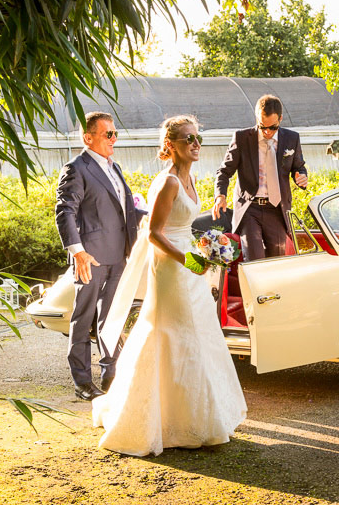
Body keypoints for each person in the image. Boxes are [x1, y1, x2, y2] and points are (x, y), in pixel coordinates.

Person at [92, 115, 247, 456]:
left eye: (198, 139)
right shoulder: (169, 183)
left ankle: (198, 414)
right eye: (188, 139)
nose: (196, 145)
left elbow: (185, 224)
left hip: (190, 262)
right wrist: (187, 259)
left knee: (198, 334)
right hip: (172, 267)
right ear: (170, 145)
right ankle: (154, 418)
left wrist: (208, 245)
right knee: (172, 333)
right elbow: (153, 233)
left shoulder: (191, 179)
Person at [55, 112, 141, 401]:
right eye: (108, 134)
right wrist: (77, 252)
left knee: (112, 317)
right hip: (89, 258)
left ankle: (110, 373)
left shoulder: (113, 167)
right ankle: (82, 382)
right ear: (88, 137)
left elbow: (123, 210)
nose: (114, 139)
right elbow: (64, 211)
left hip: (119, 255)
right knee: (83, 318)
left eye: (115, 133)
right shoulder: (76, 168)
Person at [212, 95, 308, 260]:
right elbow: (224, 171)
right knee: (255, 260)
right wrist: (220, 195)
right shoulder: (242, 138)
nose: (267, 132)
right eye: (262, 126)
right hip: (250, 208)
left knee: (276, 262)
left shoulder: (292, 138)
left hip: (277, 209)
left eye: (273, 127)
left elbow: (298, 166)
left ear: (281, 119)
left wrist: (302, 176)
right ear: (257, 118)